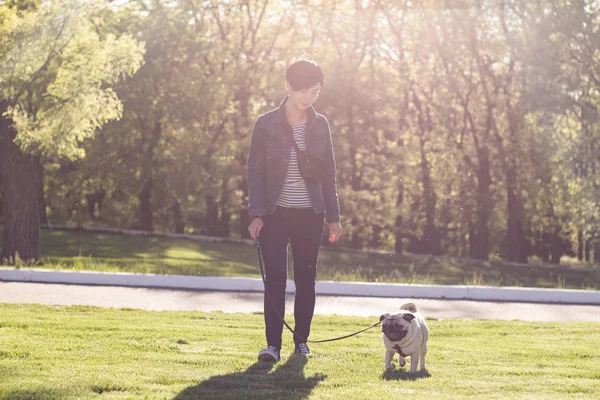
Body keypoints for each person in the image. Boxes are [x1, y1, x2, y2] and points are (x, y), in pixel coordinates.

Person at [247, 60, 342, 363]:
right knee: (274, 279)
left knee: (305, 279)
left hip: (310, 214)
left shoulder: (320, 124)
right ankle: (271, 346)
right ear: (288, 86)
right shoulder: (265, 123)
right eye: (303, 91)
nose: (309, 98)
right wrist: (257, 213)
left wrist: (333, 216)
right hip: (274, 214)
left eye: (315, 92)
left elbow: (329, 174)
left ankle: (301, 342)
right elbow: (256, 173)